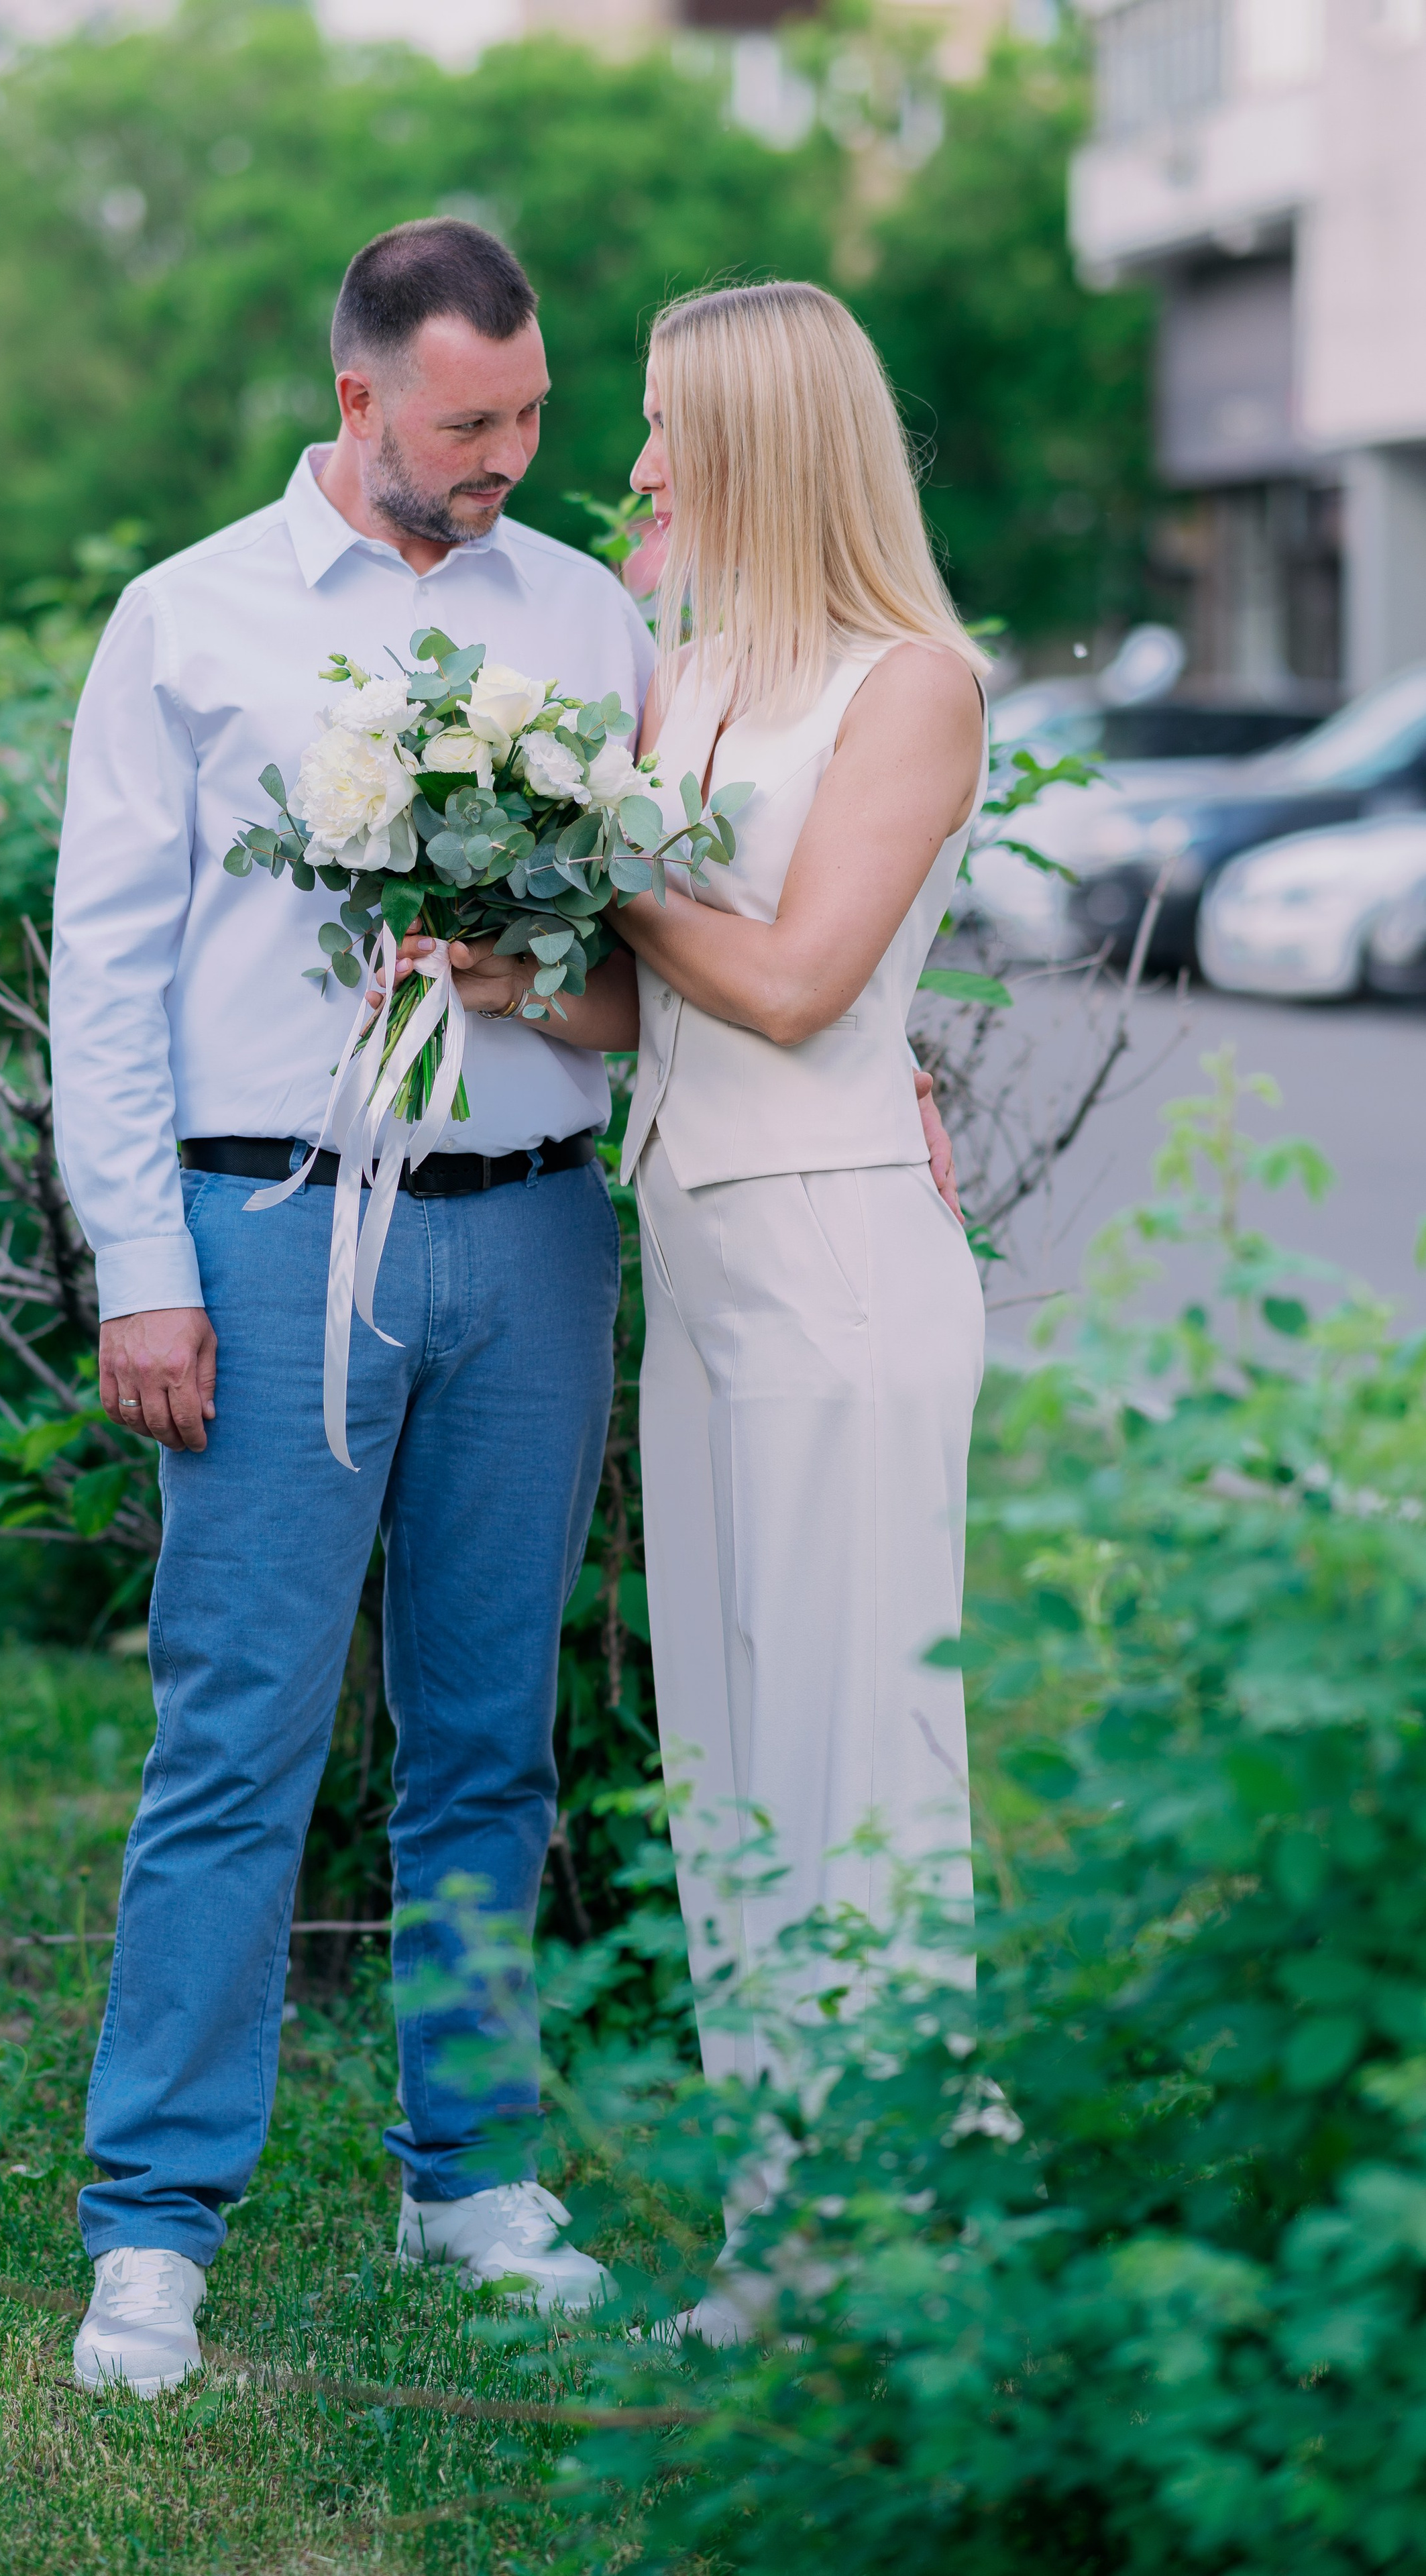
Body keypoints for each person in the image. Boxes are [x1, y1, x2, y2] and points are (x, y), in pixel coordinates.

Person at [50, 218, 655, 2398]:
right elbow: (105, 972)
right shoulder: (189, 620)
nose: (507, 460)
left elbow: (649, 958)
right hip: (278, 1229)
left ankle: (470, 2173)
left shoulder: (587, 618)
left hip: (534, 1226)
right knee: (241, 1739)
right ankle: (155, 2223)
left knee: (487, 1741)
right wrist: (145, 1268)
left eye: (531, 420)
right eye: (469, 424)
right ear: (360, 400)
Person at [414, 281, 987, 2339]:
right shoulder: (700, 674)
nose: (638, 466)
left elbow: (801, 983)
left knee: (860, 1757)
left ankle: (899, 2238)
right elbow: (651, 1001)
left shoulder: (912, 685)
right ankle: (783, 2240)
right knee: (732, 1763)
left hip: (842, 1275)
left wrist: (566, 831)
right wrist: (503, 957)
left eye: (668, 430)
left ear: (762, 441)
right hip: (708, 1265)